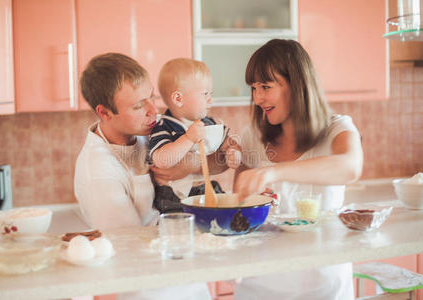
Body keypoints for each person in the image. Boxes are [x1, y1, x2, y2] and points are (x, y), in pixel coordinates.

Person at [233, 39, 363, 299]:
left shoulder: (336, 129)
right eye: (254, 88)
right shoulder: (252, 136)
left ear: (297, 84)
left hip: (324, 286)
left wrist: (274, 171)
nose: (258, 98)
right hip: (258, 287)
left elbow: (350, 167)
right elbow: (240, 213)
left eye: (266, 87)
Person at [74, 53, 211, 299]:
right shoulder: (98, 172)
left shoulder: (144, 133)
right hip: (150, 288)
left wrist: (188, 167)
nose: (153, 110)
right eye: (138, 105)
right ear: (104, 113)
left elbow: (212, 163)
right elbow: (130, 244)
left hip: (188, 278)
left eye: (152, 97)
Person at [149, 58, 241, 213]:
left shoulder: (209, 122)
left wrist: (233, 151)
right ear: (178, 99)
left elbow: (227, 141)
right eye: (205, 94)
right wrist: (187, 139)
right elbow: (161, 160)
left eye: (210, 93)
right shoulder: (165, 127)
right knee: (183, 231)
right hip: (175, 197)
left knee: (230, 216)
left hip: (206, 188)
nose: (210, 99)